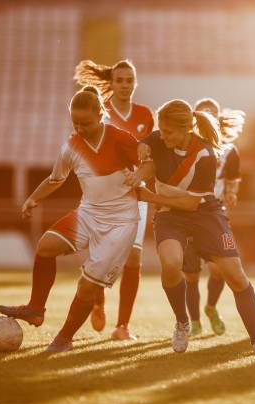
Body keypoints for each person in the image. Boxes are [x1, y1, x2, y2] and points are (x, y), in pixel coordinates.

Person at [0, 86, 143, 352]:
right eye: (75, 122)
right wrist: (33, 198)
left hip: (120, 224)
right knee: (46, 246)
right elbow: (56, 178)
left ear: (100, 115)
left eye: (85, 122)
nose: (79, 128)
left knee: (86, 286)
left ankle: (64, 337)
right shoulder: (71, 145)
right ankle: (35, 308)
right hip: (88, 213)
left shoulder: (120, 138)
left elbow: (148, 161)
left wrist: (142, 175)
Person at [130, 99, 255, 354]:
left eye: (168, 131)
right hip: (169, 217)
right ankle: (183, 323)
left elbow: (190, 204)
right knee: (171, 264)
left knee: (237, 277)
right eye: (161, 130)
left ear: (186, 129)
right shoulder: (159, 138)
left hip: (205, 214)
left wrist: (150, 197)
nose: (163, 135)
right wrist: (138, 167)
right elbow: (150, 153)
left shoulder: (206, 155)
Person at [74, 59, 155, 340]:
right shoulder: (100, 114)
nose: (125, 85)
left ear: (135, 83)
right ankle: (98, 301)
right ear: (112, 83)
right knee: (103, 258)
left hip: (136, 196)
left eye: (129, 80)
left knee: (134, 256)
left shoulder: (146, 115)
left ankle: (123, 326)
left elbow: (152, 158)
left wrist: (156, 194)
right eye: (120, 80)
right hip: (104, 199)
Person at [182, 97, 244, 337]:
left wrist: (230, 194)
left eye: (212, 114)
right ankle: (194, 321)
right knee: (191, 275)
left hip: (213, 215)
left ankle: (211, 307)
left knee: (218, 270)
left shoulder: (228, 149)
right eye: (202, 113)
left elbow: (232, 179)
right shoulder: (186, 146)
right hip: (186, 214)